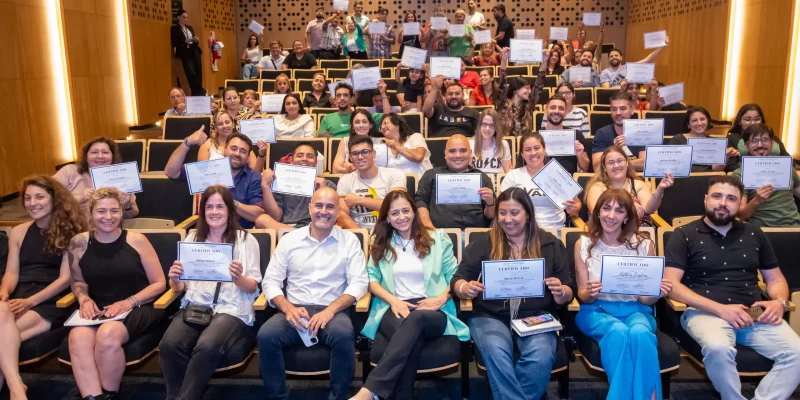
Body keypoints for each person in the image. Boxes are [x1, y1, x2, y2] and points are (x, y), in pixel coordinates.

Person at [663, 175, 800, 400]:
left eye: (731, 198)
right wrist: (721, 309)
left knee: (797, 353)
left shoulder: (755, 233)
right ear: (706, 199)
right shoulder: (684, 235)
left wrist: (779, 302)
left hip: (753, 312)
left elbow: (775, 279)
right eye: (717, 196)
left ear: (740, 204)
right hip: (705, 312)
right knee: (718, 348)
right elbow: (673, 286)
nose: (723, 203)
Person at [451, 187, 574, 400]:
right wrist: (466, 288)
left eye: (515, 213)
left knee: (541, 355)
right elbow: (457, 281)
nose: (508, 219)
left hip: (536, 315)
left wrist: (560, 291)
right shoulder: (484, 242)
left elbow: (568, 292)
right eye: (502, 213)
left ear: (528, 214)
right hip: (490, 316)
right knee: (497, 353)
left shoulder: (550, 244)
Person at [351, 191, 470, 400]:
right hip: (393, 306)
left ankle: (369, 391)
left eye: (406, 210)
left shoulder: (438, 239)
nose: (402, 217)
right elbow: (371, 279)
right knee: (409, 341)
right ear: (387, 217)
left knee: (416, 319)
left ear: (414, 212)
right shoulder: (380, 241)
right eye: (395, 212)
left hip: (433, 309)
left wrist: (442, 297)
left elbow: (455, 276)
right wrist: (394, 301)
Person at [257, 187, 368, 400]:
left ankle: (338, 397)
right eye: (319, 205)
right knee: (266, 336)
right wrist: (287, 308)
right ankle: (278, 397)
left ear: (337, 212)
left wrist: (330, 311)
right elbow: (271, 280)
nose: (323, 211)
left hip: (332, 312)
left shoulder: (350, 241)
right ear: (310, 208)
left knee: (343, 335)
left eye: (330, 207)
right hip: (295, 310)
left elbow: (359, 282)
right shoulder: (290, 240)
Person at [159, 186, 261, 400]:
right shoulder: (192, 239)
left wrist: (238, 278)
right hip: (195, 306)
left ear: (230, 210)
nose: (214, 212)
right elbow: (178, 288)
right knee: (169, 344)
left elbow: (252, 286)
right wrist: (174, 278)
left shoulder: (246, 240)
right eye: (209, 207)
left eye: (220, 207)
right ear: (202, 211)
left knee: (207, 345)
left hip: (231, 308)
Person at [66, 188, 166, 400]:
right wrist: (83, 298)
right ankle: (93, 397)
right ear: (91, 213)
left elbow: (159, 284)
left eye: (114, 211)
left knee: (107, 334)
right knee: (77, 337)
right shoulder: (78, 243)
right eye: (101, 211)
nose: (108, 217)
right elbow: (78, 281)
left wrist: (128, 303)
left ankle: (109, 394)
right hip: (99, 307)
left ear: (122, 213)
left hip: (139, 305)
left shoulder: (137, 240)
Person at [575, 188, 671, 400]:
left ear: (627, 216)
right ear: (597, 212)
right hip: (596, 310)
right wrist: (590, 292)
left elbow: (646, 299)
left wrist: (657, 292)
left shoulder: (644, 244)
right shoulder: (583, 244)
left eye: (619, 211)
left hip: (636, 310)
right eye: (606, 208)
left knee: (641, 334)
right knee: (617, 332)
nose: (611, 216)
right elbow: (582, 295)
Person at [0, 176, 85, 400]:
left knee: (3, 339)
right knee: (2, 320)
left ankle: (16, 389)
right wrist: (4, 292)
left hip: (51, 300)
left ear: (54, 199)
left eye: (39, 197)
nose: (32, 203)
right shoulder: (18, 232)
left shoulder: (72, 232)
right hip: (20, 296)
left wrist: (30, 302)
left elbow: (65, 279)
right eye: (27, 198)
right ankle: (16, 385)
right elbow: (11, 273)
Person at [165, 133, 265, 229]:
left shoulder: (253, 177)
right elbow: (171, 172)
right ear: (225, 149)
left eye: (243, 151)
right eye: (233, 148)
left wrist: (229, 200)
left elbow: (258, 214)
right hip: (207, 232)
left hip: (239, 233)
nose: (237, 154)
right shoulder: (209, 168)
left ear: (248, 157)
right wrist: (187, 143)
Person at [500, 132, 582, 229]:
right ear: (522, 154)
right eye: (528, 149)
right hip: (522, 231)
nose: (533, 153)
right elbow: (502, 208)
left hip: (555, 230)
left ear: (544, 150)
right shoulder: (512, 176)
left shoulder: (558, 174)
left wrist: (572, 209)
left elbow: (577, 204)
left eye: (537, 148)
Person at [256, 142, 343, 230]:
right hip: (284, 228)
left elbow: (328, 217)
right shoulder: (278, 183)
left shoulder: (327, 184)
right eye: (299, 155)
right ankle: (297, 235)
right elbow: (275, 217)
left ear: (316, 161)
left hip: (314, 227)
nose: (304, 159)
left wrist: (322, 190)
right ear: (291, 160)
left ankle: (297, 235)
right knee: (262, 219)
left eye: (310, 156)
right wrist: (265, 187)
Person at [415, 134, 496, 229]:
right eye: (452, 151)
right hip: (439, 235)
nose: (458, 155)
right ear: (445, 154)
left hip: (475, 235)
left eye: (463, 151)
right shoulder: (430, 175)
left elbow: (490, 216)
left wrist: (490, 202)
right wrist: (428, 227)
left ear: (470, 153)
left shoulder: (482, 177)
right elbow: (420, 201)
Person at [53, 137, 139, 222]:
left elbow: (133, 214)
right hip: (72, 228)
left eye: (105, 152)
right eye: (94, 152)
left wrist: (127, 205)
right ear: (86, 157)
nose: (100, 156)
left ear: (112, 156)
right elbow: (50, 201)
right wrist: (80, 198)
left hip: (107, 229)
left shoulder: (121, 176)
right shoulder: (69, 171)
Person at [732, 124, 800, 227]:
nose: (760, 145)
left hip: (794, 226)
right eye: (754, 141)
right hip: (763, 231)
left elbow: (797, 189)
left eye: (764, 139)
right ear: (747, 146)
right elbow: (741, 215)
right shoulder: (739, 174)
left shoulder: (786, 166)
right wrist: (757, 200)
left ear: (772, 143)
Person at [585, 146, 673, 226]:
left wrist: (660, 189)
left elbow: (649, 210)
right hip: (608, 231)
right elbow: (597, 213)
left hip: (639, 231)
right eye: (611, 163)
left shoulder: (639, 184)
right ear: (604, 167)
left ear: (627, 162)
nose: (616, 165)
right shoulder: (597, 188)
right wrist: (630, 209)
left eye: (620, 161)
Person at [337, 135, 408, 231]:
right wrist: (362, 236)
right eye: (355, 153)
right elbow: (341, 215)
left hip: (390, 231)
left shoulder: (394, 175)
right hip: (358, 233)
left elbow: (396, 206)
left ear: (374, 154)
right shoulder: (345, 181)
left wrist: (359, 200)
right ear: (350, 157)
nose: (360, 157)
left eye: (365, 152)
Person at [495, 48, 548, 137]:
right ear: (516, 89)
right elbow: (502, 84)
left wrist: (544, 61)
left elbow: (539, 85)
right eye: (526, 88)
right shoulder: (503, 103)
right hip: (506, 144)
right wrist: (504, 60)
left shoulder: (528, 105)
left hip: (524, 145)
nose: (529, 91)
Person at [669, 106, 739, 172]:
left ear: (707, 121)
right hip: (685, 179)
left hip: (708, 178)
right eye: (694, 120)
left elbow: (716, 169)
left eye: (702, 119)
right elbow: (672, 165)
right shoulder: (677, 140)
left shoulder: (714, 142)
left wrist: (726, 156)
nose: (699, 123)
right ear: (688, 124)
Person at [726, 104, 791, 171]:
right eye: (748, 119)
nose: (753, 123)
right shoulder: (732, 139)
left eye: (757, 119)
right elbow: (730, 167)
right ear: (739, 121)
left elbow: (789, 162)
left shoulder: (774, 139)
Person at [192, 112, 264, 171]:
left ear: (233, 124)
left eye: (227, 122)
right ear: (216, 127)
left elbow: (255, 172)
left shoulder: (243, 143)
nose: (225, 126)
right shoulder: (207, 145)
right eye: (220, 124)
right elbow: (202, 172)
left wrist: (261, 155)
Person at [591, 92, 644, 171]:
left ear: (632, 109)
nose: (618, 113)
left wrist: (613, 163)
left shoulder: (643, 133)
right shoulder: (602, 134)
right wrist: (614, 149)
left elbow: (645, 163)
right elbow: (597, 167)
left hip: (637, 180)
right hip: (610, 181)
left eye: (623, 108)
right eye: (614, 109)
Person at [538, 94, 590, 173]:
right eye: (552, 107)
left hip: (569, 181)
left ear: (565, 113)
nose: (556, 111)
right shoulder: (536, 136)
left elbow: (585, 168)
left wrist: (580, 155)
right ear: (546, 110)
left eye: (561, 108)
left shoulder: (576, 135)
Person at [319, 83, 388, 138]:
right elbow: (321, 137)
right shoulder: (327, 118)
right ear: (336, 99)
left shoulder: (363, 115)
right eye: (338, 95)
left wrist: (383, 93)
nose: (342, 98)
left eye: (345, 95)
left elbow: (388, 118)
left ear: (352, 99)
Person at [600, 43, 669, 88]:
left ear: (621, 58)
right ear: (609, 59)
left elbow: (647, 59)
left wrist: (662, 46)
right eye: (611, 56)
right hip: (614, 98)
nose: (614, 57)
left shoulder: (629, 67)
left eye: (616, 55)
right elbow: (607, 91)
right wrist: (622, 87)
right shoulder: (605, 73)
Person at [170, 9, 205, 95]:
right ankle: (198, 90)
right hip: (185, 51)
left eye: (187, 17)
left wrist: (196, 40)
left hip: (194, 49)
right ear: (178, 17)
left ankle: (198, 90)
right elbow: (174, 42)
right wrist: (185, 41)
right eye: (184, 17)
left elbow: (193, 39)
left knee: (198, 71)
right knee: (191, 72)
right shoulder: (174, 28)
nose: (185, 19)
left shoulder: (189, 28)